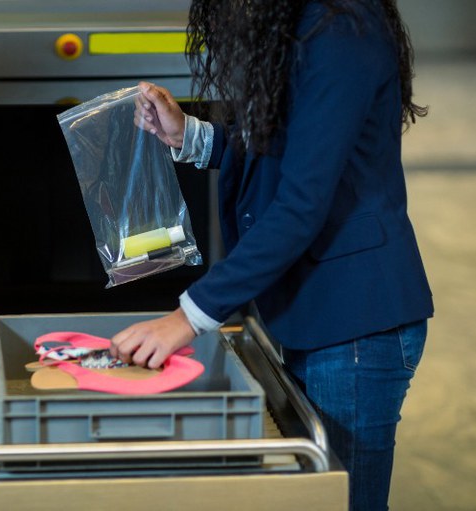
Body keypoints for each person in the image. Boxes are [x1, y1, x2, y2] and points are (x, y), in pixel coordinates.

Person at [110, 1, 434, 510]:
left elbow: (301, 204)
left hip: (355, 321)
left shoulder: (343, 28)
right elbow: (283, 150)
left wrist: (187, 317)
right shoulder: (305, 20)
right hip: (316, 312)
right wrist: (189, 136)